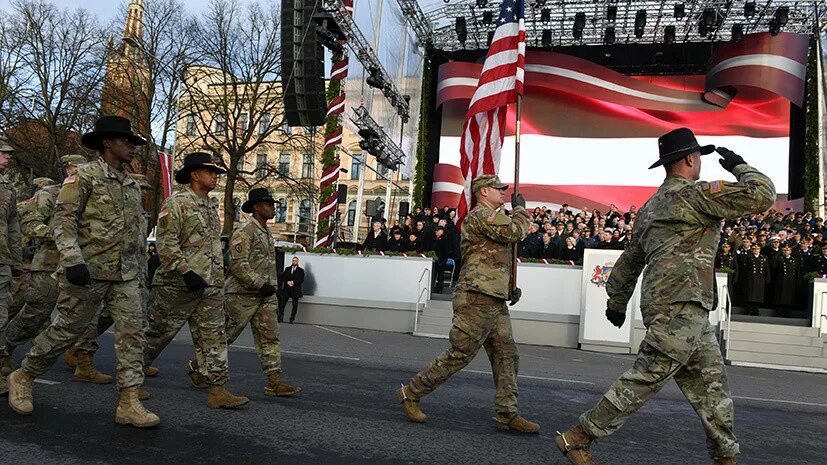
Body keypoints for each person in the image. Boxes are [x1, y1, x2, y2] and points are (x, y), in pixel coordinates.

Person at [555, 128, 775, 465]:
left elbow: (630, 258)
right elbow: (762, 195)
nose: (699, 161)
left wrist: (616, 301)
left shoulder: (651, 206)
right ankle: (579, 437)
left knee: (711, 389)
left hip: (683, 307)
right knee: (648, 375)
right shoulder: (697, 195)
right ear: (689, 158)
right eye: (698, 156)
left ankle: (726, 457)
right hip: (681, 306)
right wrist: (741, 166)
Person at [7, 116, 158, 427]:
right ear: (107, 143)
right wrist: (73, 260)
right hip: (88, 271)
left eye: (133, 142)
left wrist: (141, 272)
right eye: (126, 141)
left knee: (133, 333)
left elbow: (134, 235)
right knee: (68, 330)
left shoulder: (131, 185)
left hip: (126, 275)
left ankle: (129, 401)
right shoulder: (84, 177)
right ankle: (24, 374)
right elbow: (64, 221)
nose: (132, 147)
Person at [396, 175, 539, 434]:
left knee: (507, 354)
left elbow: (496, 259)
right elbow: (515, 232)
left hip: (493, 297)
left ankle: (507, 413)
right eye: (499, 189)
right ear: (484, 192)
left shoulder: (493, 216)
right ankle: (412, 392)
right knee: (460, 353)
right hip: (476, 296)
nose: (503, 193)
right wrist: (521, 210)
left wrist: (509, 289)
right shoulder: (480, 216)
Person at [143, 151, 248, 409]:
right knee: (157, 335)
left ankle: (218, 389)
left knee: (215, 337)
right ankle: (130, 378)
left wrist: (217, 276)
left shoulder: (211, 207)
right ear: (194, 175)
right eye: (210, 172)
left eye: (216, 173)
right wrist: (185, 271)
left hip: (209, 286)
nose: (215, 177)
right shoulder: (176, 203)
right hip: (177, 284)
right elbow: (166, 243)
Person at [195, 187, 300, 397]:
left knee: (269, 337)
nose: (273, 208)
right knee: (224, 337)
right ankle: (199, 370)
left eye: (273, 204)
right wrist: (260, 284)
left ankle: (274, 381)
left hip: (266, 296)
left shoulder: (266, 232)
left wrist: (269, 288)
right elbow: (238, 265)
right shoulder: (245, 231)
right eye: (269, 204)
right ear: (256, 207)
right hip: (241, 295)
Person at [0, 156, 84, 378]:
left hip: (80, 263)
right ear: (67, 170)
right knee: (37, 312)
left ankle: (83, 359)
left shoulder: (89, 195)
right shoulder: (50, 194)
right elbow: (28, 223)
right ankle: (6, 347)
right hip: (49, 262)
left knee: (81, 315)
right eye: (77, 169)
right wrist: (58, 236)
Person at [0, 137, 21, 393]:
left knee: (1, 316)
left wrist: (16, 260)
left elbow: (14, 226)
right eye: (3, 154)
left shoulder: (8, 187)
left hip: (2, 260)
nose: (8, 158)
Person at [738, 243, 770, 316]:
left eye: (757, 249)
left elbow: (766, 269)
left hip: (760, 279)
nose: (756, 250)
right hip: (751, 278)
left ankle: (756, 309)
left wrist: (767, 279)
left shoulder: (764, 258)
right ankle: (749, 309)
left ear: (760, 250)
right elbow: (745, 268)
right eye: (754, 249)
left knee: (758, 295)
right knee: (750, 295)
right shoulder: (749, 257)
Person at [770, 244, 798, 317]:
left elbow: (797, 271)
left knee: (789, 297)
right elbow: (773, 265)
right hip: (781, 280)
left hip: (791, 281)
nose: (786, 252)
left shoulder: (794, 260)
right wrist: (778, 254)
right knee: (780, 297)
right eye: (784, 250)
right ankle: (779, 311)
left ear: (791, 251)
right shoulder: (780, 259)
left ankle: (787, 312)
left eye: (787, 250)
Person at [278, 256, 304, 323]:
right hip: (287, 289)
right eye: (293, 260)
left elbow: (301, 279)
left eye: (295, 261)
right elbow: (283, 277)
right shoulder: (287, 269)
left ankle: (292, 319)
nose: (294, 262)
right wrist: (287, 282)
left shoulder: (301, 270)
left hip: (295, 290)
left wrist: (294, 282)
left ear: (298, 262)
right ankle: (280, 317)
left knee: (294, 305)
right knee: (282, 304)